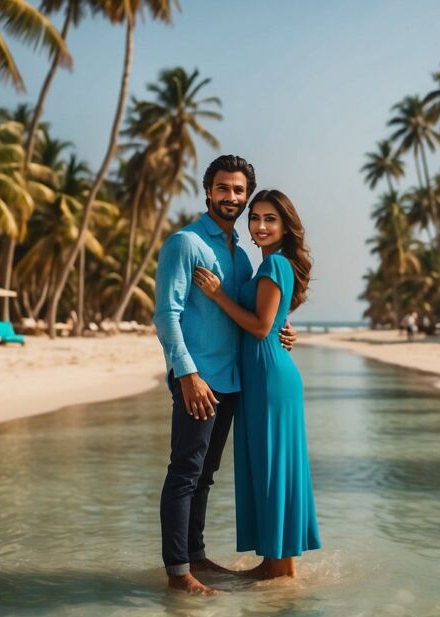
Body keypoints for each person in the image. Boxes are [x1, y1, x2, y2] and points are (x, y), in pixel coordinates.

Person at [153, 155, 296, 595]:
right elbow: (166, 315)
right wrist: (186, 375)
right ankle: (178, 573)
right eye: (222, 189)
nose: (230, 197)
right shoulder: (186, 243)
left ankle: (195, 554)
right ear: (208, 191)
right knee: (185, 472)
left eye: (238, 191)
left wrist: (280, 330)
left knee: (205, 475)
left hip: (233, 382)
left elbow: (250, 315)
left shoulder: (240, 258)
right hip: (200, 380)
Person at [193, 189, 321, 579]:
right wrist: (285, 327)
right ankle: (275, 566)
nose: (261, 226)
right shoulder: (265, 265)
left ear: (285, 226)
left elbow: (261, 326)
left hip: (269, 379)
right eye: (256, 218)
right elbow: (274, 319)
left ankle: (279, 573)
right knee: (270, 468)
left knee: (272, 468)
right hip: (265, 375)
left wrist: (217, 295)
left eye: (271, 219)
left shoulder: (274, 266)